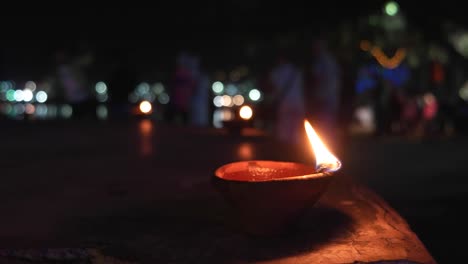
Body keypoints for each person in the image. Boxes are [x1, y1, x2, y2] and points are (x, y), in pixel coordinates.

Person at [268, 52, 305, 145]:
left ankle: (285, 149)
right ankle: (296, 150)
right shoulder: (296, 70)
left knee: (284, 128)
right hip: (298, 103)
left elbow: (273, 88)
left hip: (284, 104)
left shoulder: (277, 72)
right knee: (296, 129)